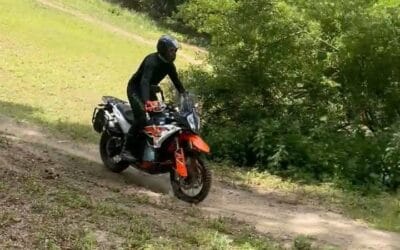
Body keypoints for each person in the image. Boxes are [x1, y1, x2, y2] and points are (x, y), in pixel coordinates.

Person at [121, 35, 186, 162]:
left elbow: (176, 82)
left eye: (175, 51)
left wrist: (186, 95)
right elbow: (144, 82)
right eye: (171, 50)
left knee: (160, 118)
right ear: (163, 49)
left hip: (148, 90)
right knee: (141, 117)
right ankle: (126, 149)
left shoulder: (169, 65)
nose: (174, 53)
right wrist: (146, 102)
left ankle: (150, 148)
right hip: (136, 89)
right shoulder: (152, 61)